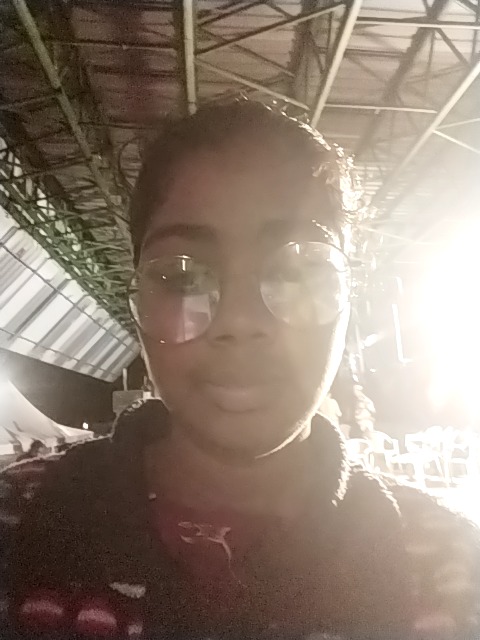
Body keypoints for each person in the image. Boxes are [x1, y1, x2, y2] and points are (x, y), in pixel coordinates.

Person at [0, 101, 479, 640]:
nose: (240, 321)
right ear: (137, 302)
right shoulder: (17, 518)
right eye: (183, 278)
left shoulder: (449, 571)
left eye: (296, 271)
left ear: (347, 298)